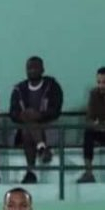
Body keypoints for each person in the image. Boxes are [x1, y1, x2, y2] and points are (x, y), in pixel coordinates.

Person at [9, 56, 63, 184]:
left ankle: (30, 172)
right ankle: (42, 148)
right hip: (25, 128)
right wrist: (21, 115)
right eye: (29, 68)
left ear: (42, 69)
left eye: (35, 68)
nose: (31, 71)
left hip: (48, 126)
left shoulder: (52, 86)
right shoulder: (19, 89)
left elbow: (56, 110)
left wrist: (39, 115)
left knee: (28, 128)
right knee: (28, 127)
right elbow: (12, 113)